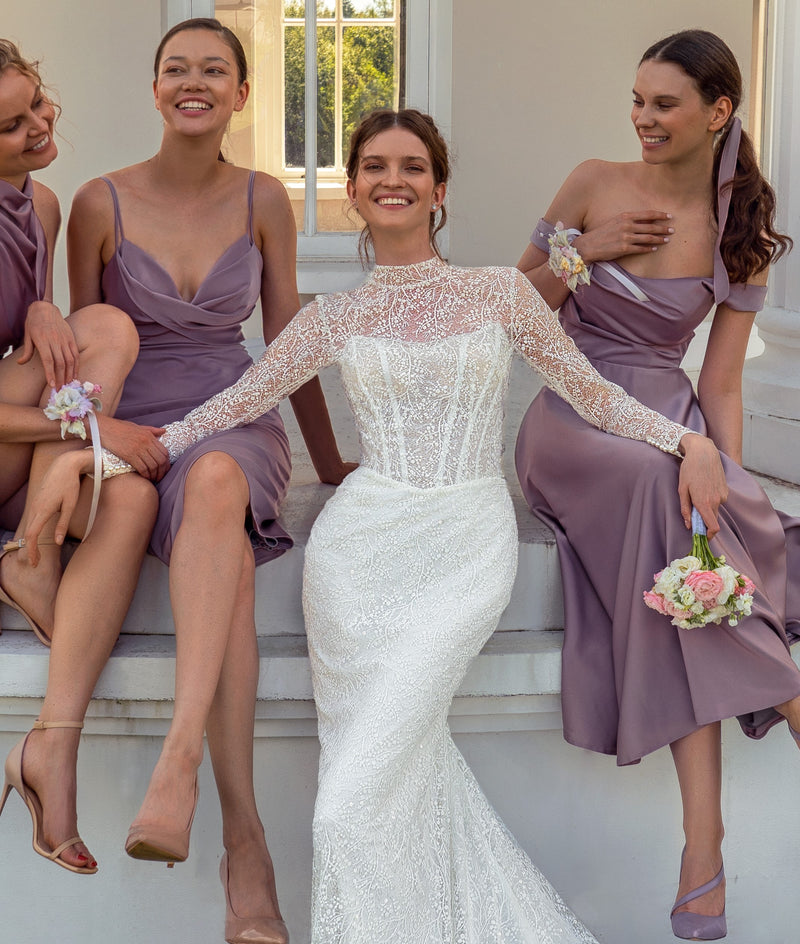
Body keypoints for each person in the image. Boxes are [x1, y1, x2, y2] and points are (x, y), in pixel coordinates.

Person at [32, 106, 734, 943]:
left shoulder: (504, 293)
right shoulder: (332, 317)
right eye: (372, 167)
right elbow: (227, 408)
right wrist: (100, 453)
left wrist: (688, 439)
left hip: (464, 547)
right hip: (357, 561)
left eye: (410, 166)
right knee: (394, 776)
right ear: (353, 193)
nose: (391, 179)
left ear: (439, 191)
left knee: (348, 806)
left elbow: (595, 394)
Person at [22, 18, 349, 944]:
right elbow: (66, 357)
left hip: (236, 418)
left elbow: (290, 341)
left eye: (215, 70)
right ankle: (247, 849)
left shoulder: (264, 197)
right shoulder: (97, 202)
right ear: (155, 88)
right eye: (177, 69)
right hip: (130, 427)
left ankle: (178, 767)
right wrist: (92, 438)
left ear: (243, 93)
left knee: (214, 485)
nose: (194, 82)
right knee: (200, 540)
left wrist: (330, 465)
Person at [515, 28, 800, 941]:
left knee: (696, 514)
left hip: (674, 426)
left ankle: (701, 854)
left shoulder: (740, 227)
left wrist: (725, 474)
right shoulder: (595, 181)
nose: (642, 118)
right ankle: (788, 693)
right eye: (637, 100)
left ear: (718, 112)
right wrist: (585, 248)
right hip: (572, 422)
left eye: (664, 104)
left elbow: (718, 383)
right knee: (657, 482)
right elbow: (512, 313)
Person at [0, 39, 166, 875]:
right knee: (108, 327)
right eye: (11, 125)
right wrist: (86, 439)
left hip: (15, 446)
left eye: (39, 103)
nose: (39, 125)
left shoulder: (45, 202)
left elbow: (53, 350)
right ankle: (33, 543)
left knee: (133, 501)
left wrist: (38, 305)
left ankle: (50, 751)